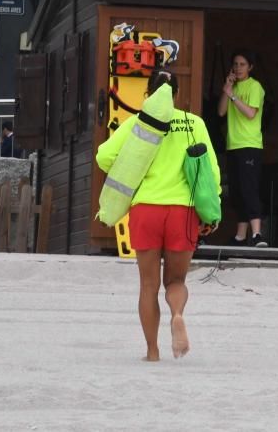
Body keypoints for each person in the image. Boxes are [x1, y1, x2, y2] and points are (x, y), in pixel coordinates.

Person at [96, 70, 220, 361]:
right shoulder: (194, 124)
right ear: (176, 95)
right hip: (183, 211)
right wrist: (211, 212)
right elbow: (211, 171)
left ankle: (152, 352)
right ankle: (177, 314)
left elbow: (104, 156)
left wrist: (132, 167)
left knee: (148, 285)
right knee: (175, 281)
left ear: (148, 95)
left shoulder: (139, 123)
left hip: (146, 210)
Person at [217, 49, 267, 247]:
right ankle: (240, 236)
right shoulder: (231, 88)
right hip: (233, 145)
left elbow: (250, 113)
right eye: (235, 64)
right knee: (236, 190)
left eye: (242, 64)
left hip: (250, 144)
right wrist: (227, 90)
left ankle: (257, 234)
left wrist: (233, 97)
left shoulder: (255, 87)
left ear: (250, 67)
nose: (238, 68)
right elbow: (221, 112)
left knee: (249, 188)